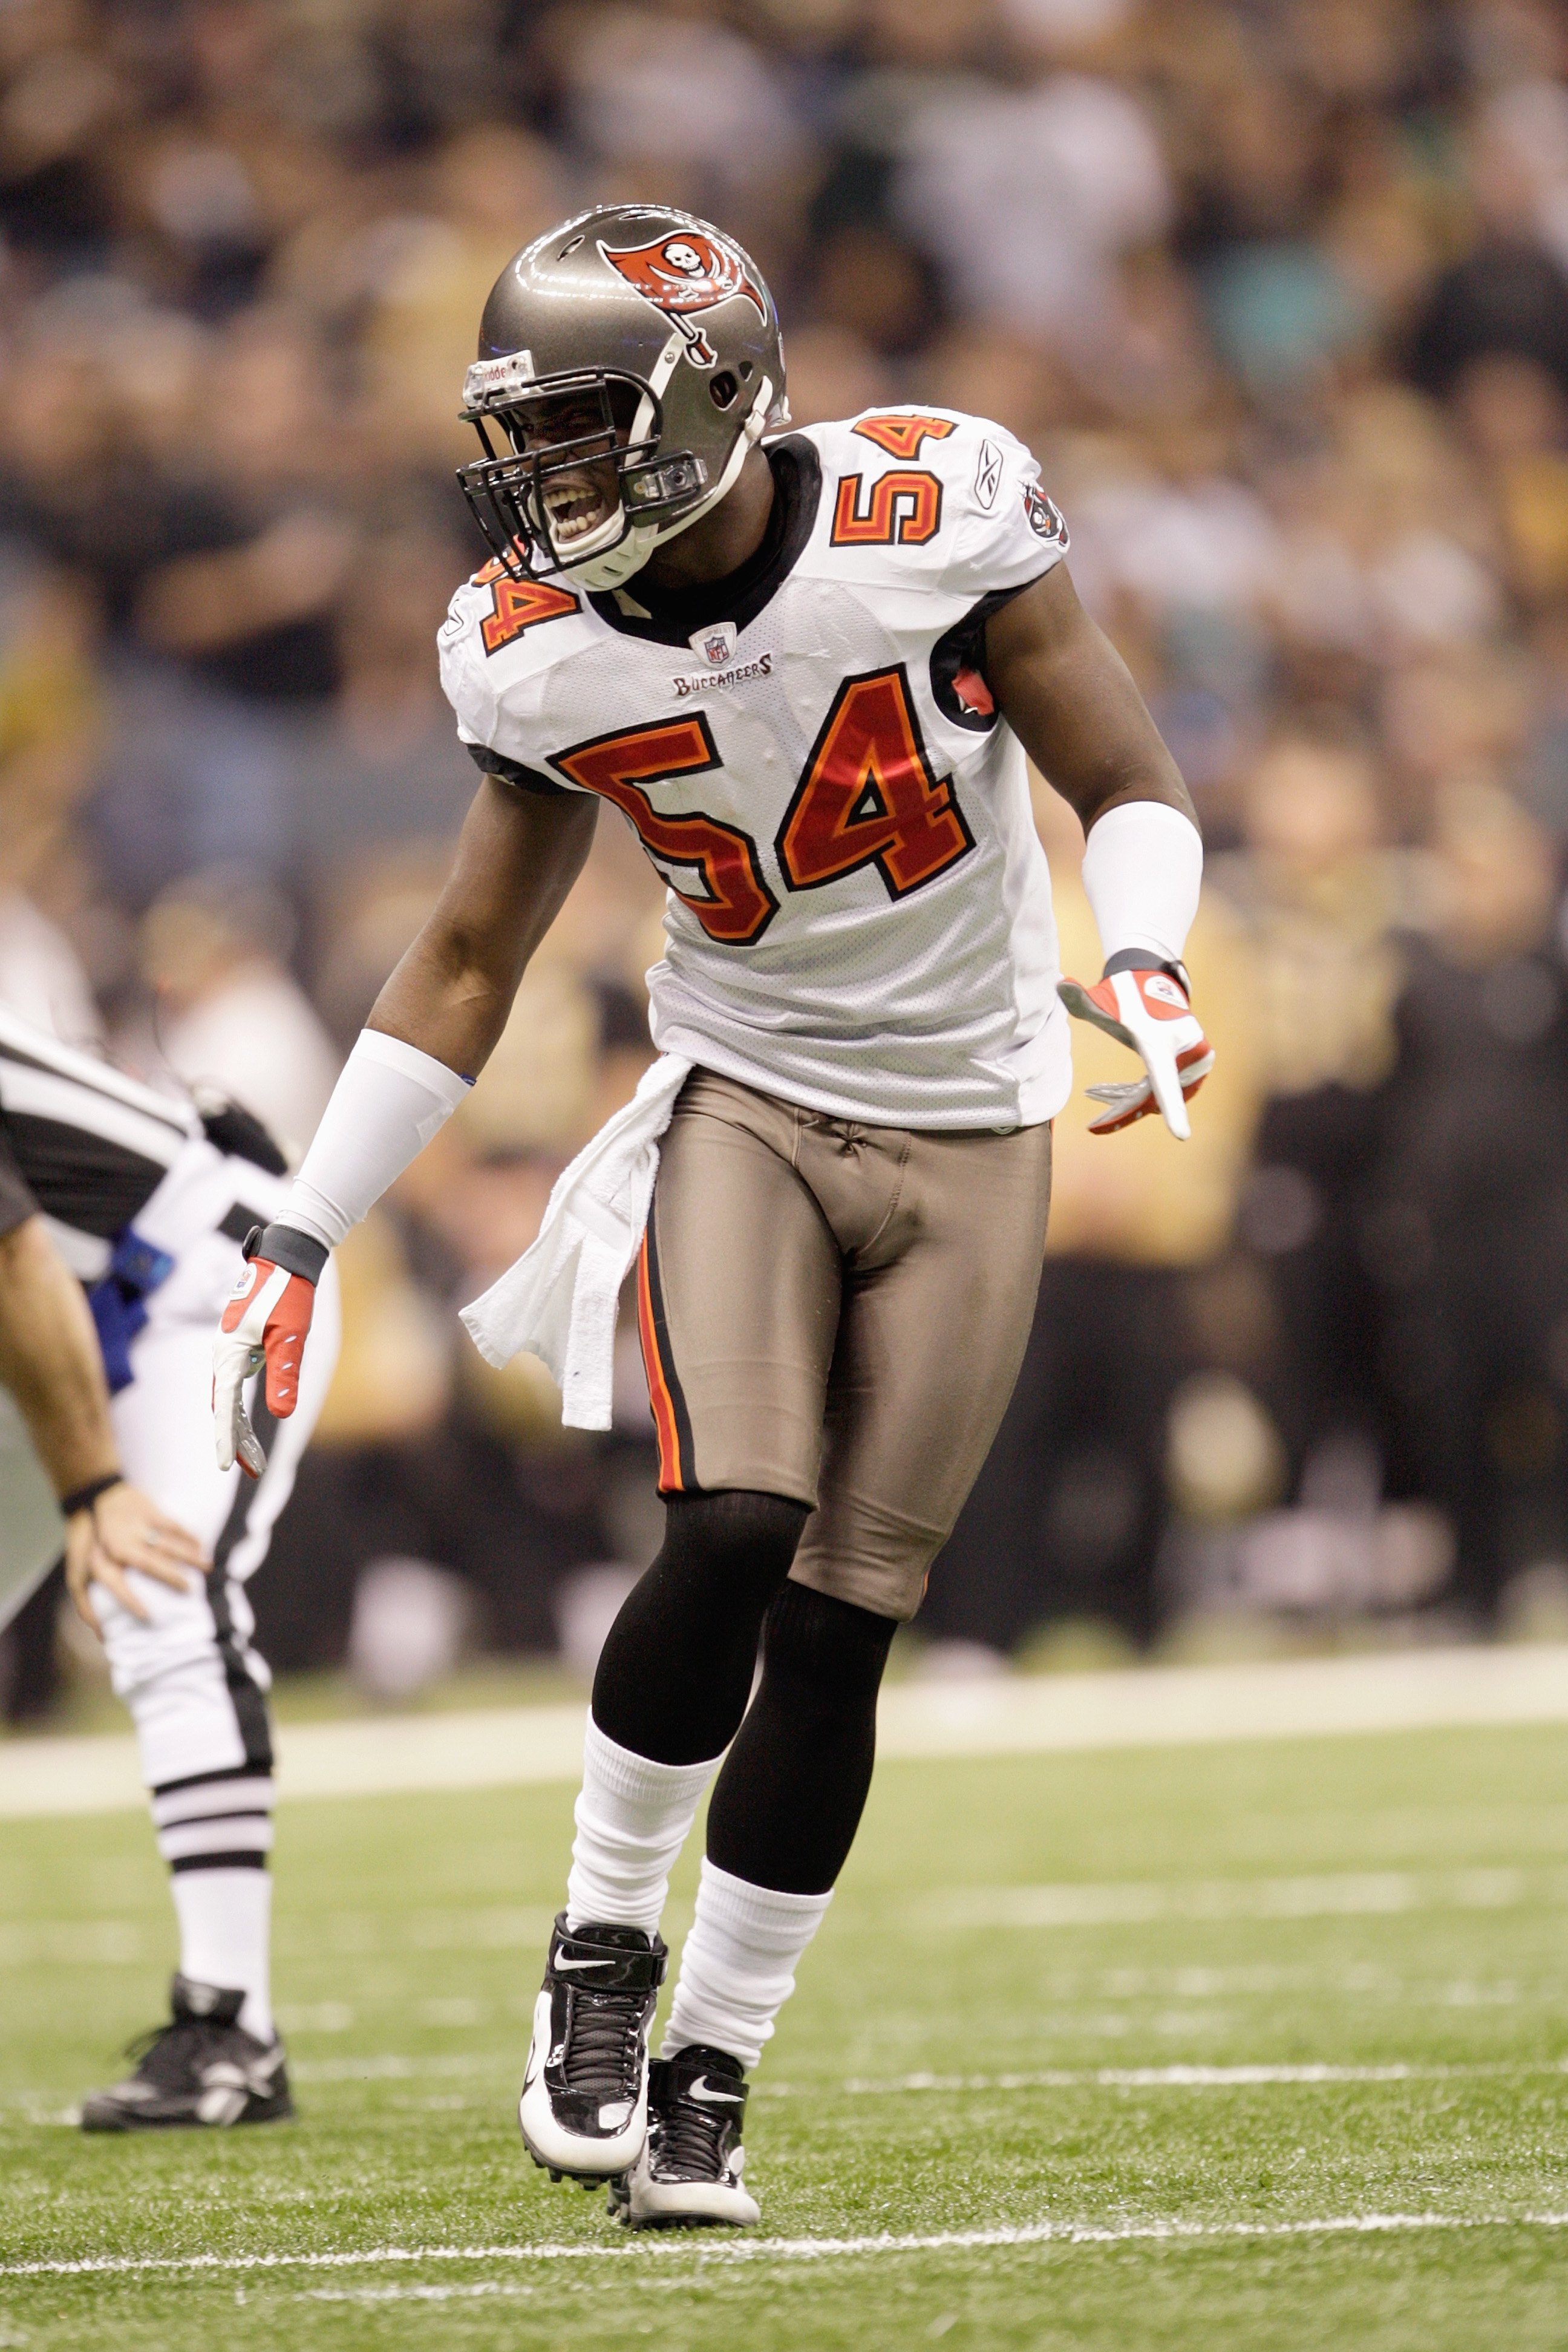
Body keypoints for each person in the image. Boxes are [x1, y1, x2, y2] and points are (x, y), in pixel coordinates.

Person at [211, 204, 1210, 2228]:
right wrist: (304, 1223)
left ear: (717, 396)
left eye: (586, 425)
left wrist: (1160, 952)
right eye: (531, 432)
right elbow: (472, 957)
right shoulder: (530, 640)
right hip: (745, 1087)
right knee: (733, 1518)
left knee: (844, 1623)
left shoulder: (933, 509)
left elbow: (1122, 763)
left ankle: (713, 2069)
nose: (546, 476)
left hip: (976, 1120)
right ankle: (598, 1944)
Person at [0, 1005, 339, 2128]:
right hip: (73, 1310)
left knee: (161, 1591)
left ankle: (230, 2024)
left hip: (206, 1284)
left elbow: (16, 1262)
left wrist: (94, 1488)